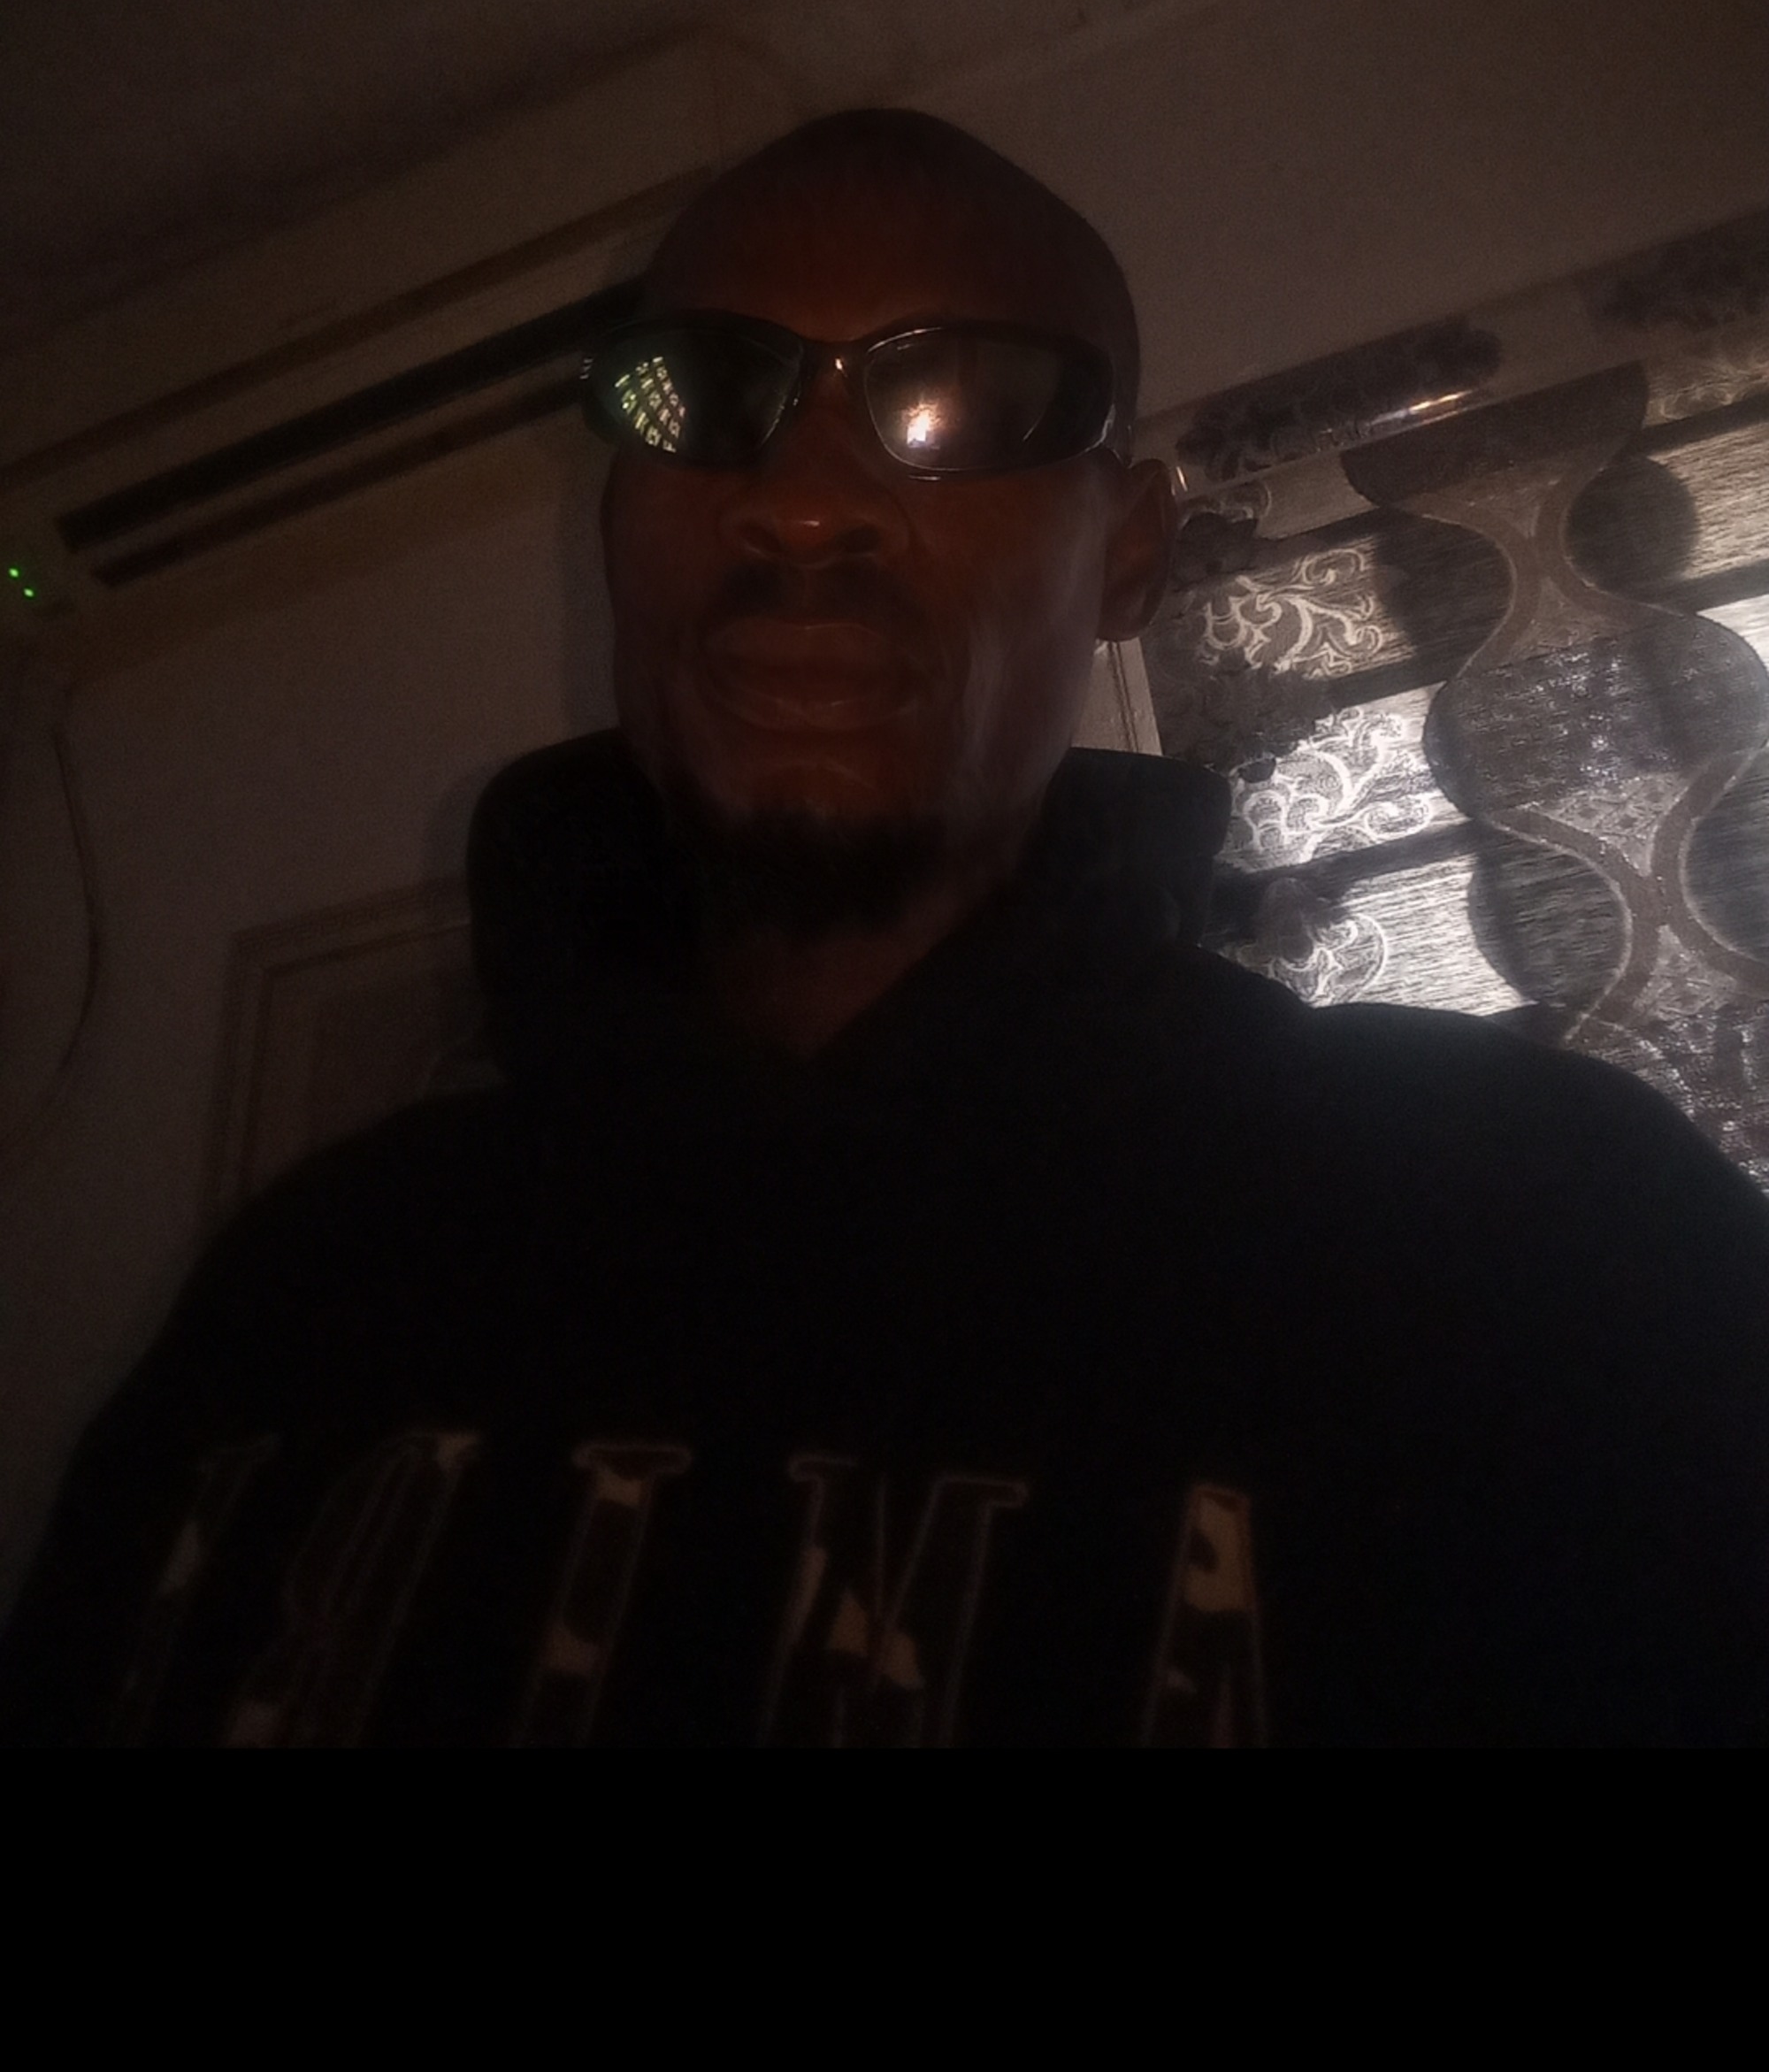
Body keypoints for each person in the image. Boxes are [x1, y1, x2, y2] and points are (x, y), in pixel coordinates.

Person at [5, 109, 1769, 1748]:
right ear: (620, 523)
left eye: (970, 401)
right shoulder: (310, 1281)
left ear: (1128, 554)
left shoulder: (1541, 1242)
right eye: (707, 393)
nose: (801, 495)